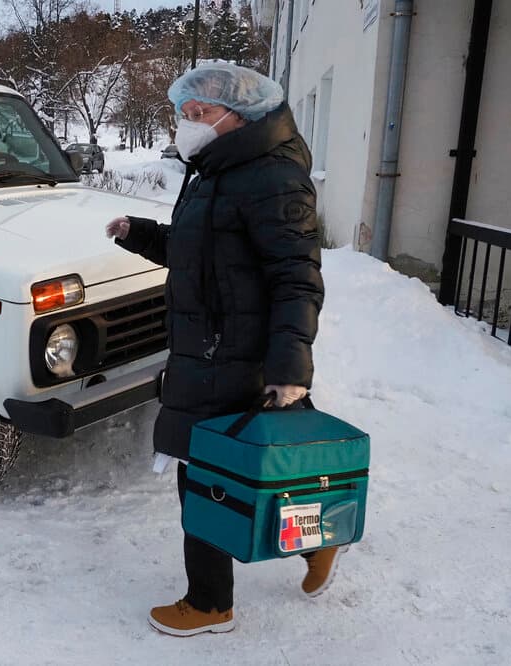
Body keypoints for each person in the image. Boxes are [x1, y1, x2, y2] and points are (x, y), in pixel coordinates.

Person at [105, 63, 331, 637]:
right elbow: (198, 249)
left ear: (238, 114)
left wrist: (289, 369)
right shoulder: (216, 169)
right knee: (271, 471)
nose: (188, 124)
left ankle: (209, 604)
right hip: (206, 350)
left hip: (238, 358)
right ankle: (316, 543)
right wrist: (140, 234)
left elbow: (296, 279)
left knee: (204, 476)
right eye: (184, 115)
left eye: (198, 114)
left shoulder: (274, 178)